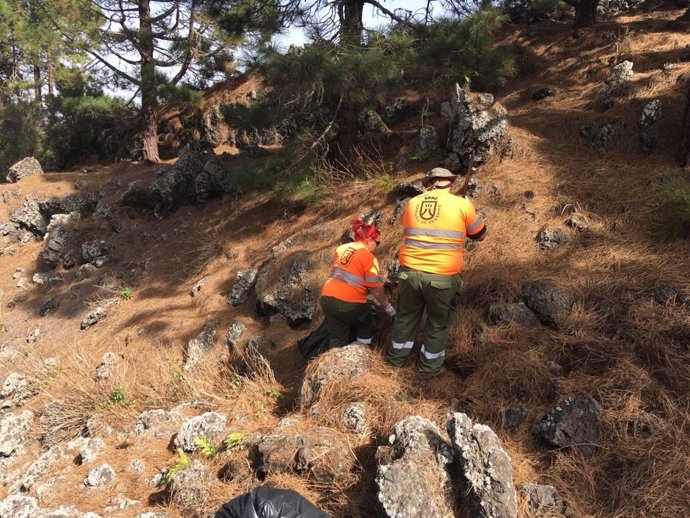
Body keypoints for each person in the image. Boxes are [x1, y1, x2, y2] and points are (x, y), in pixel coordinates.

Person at [386, 167, 486, 377]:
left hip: (409, 274)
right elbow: (480, 235)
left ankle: (394, 364)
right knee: (438, 323)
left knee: (405, 318)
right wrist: (465, 208)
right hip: (441, 277)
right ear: (450, 182)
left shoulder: (411, 203)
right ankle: (428, 369)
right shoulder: (461, 204)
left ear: (429, 182)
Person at [320, 218, 396, 348]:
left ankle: (336, 362)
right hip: (350, 303)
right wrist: (387, 306)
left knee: (338, 336)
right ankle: (361, 350)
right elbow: (376, 289)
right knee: (366, 324)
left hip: (327, 298)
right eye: (377, 242)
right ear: (369, 240)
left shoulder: (342, 248)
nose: (378, 245)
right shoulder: (369, 258)